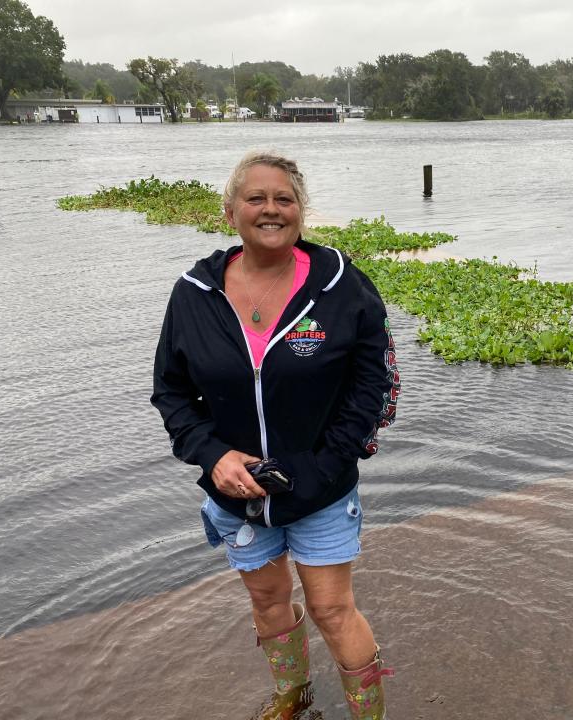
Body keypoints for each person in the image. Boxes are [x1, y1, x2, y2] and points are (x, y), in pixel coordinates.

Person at [151, 151, 398, 719]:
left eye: (283, 199)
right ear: (230, 211)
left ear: (300, 211)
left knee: (334, 611)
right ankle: (293, 695)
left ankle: (370, 715)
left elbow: (373, 387)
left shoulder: (342, 285)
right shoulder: (193, 292)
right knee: (267, 600)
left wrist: (322, 466)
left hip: (322, 488)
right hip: (235, 494)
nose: (270, 209)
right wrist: (213, 457)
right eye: (255, 198)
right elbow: (171, 391)